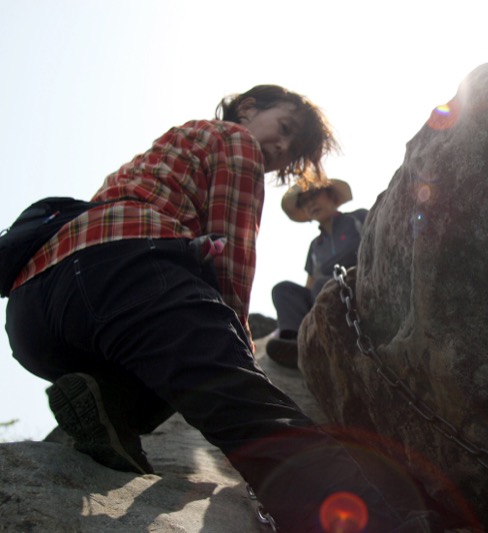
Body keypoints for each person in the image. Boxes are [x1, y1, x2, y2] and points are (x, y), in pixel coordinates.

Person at [4, 85, 440, 532]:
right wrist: (239, 357)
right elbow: (231, 257)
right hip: (130, 271)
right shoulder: (237, 140)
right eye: (284, 128)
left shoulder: (166, 147)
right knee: (247, 409)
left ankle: (107, 402)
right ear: (247, 108)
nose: (281, 148)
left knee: (156, 364)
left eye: (291, 151)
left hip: (34, 312)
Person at [267, 178, 367, 368]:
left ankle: (326, 341)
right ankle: (294, 343)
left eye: (314, 195)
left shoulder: (357, 219)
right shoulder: (315, 246)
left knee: (323, 285)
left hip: (357, 285)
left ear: (331, 196)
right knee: (283, 290)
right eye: (304, 202)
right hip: (322, 295)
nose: (310, 204)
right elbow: (310, 285)